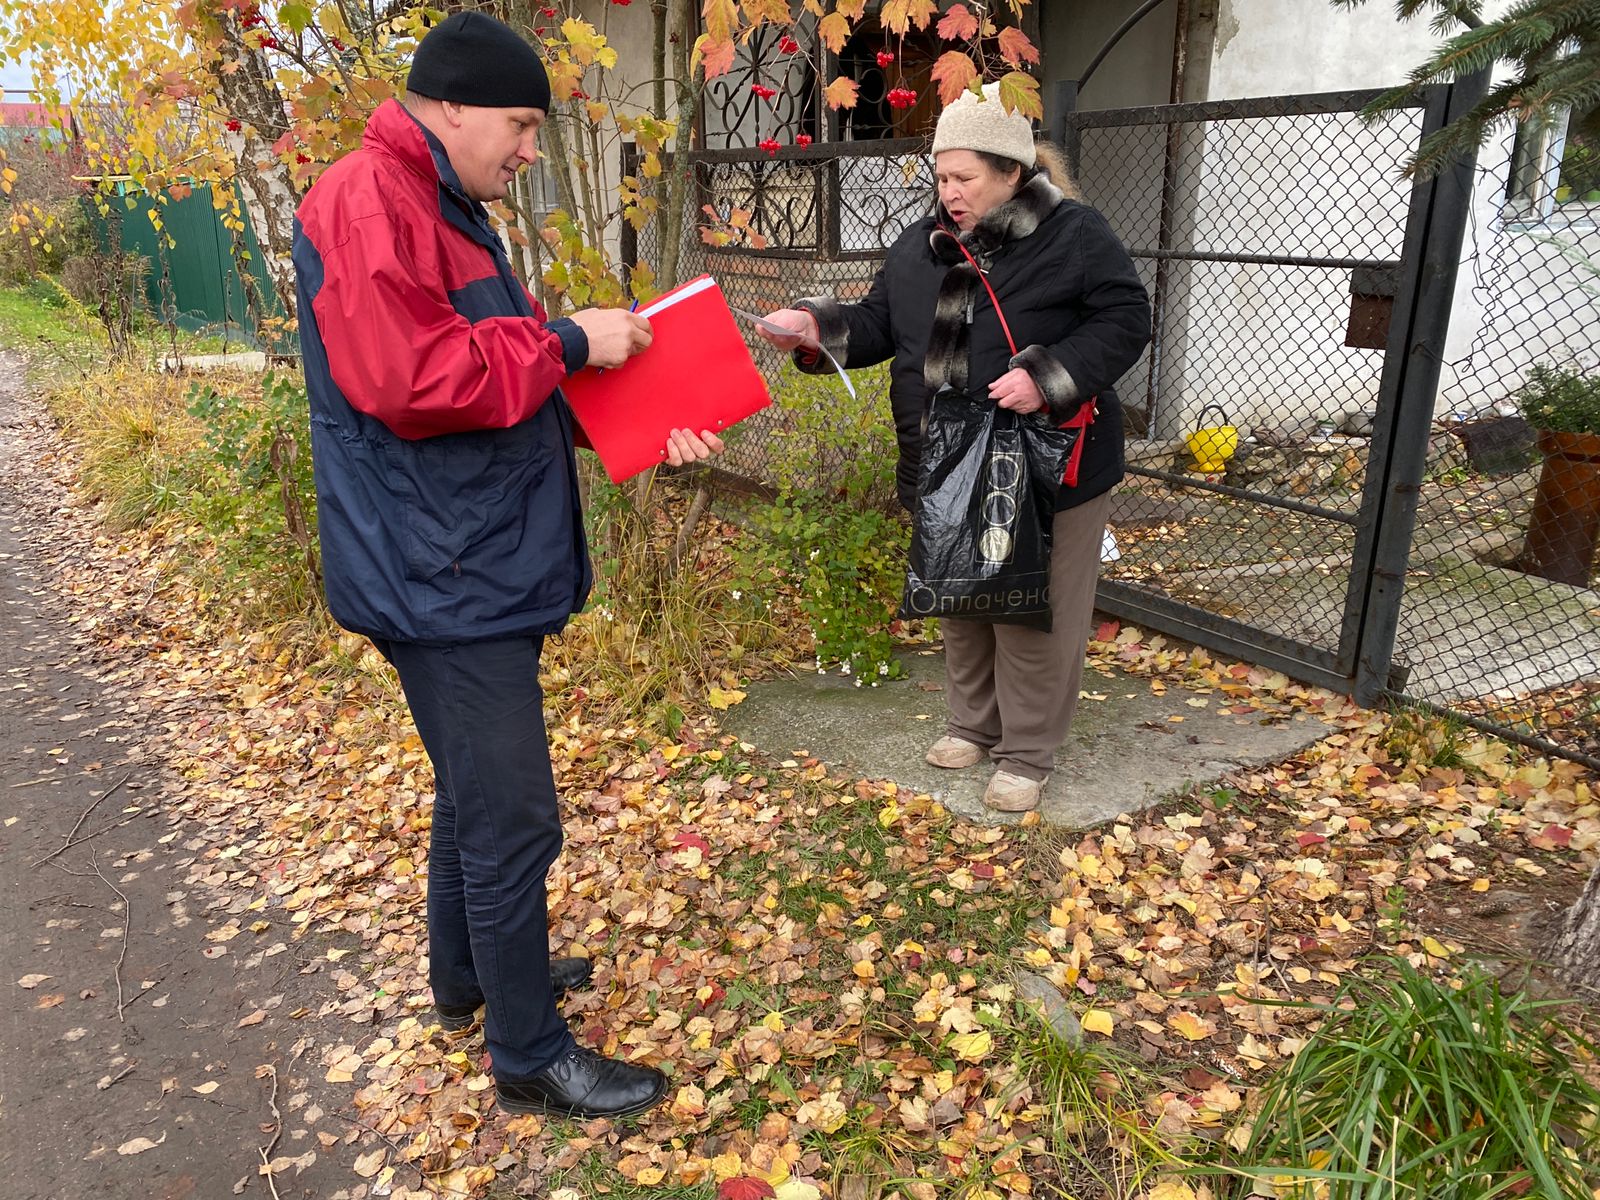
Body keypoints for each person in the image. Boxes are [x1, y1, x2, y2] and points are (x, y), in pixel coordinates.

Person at [293, 11, 721, 1119]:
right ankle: (529, 1056)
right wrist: (576, 340)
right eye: (521, 124)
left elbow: (504, 383)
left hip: (463, 554)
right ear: (449, 108)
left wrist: (636, 416)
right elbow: (410, 379)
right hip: (438, 573)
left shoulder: (445, 205)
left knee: (475, 797)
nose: (530, 149)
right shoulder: (368, 198)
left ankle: (472, 979)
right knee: (515, 816)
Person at [757, 83, 1150, 814]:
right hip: (946, 459)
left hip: (1048, 459)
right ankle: (973, 723)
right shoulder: (922, 245)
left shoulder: (1076, 235)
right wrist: (816, 325)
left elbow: (1127, 319)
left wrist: (1048, 377)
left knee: (1032, 605)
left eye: (964, 177)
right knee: (963, 596)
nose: (949, 192)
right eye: (941, 177)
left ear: (1011, 172)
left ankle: (1027, 754)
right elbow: (878, 321)